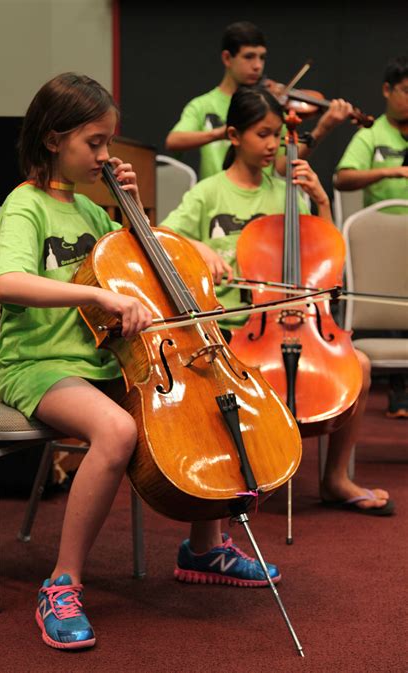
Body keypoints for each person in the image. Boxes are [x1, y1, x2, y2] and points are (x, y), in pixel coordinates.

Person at [0, 73, 282, 652]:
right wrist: (96, 295)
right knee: (118, 430)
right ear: (54, 139)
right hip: (40, 364)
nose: (105, 155)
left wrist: (137, 215)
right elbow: (5, 282)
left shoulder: (95, 213)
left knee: (207, 410)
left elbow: (137, 263)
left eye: (108, 144)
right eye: (94, 143)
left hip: (104, 365)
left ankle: (204, 549)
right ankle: (62, 582)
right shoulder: (26, 206)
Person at [160, 85, 395, 518]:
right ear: (234, 136)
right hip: (228, 324)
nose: (273, 146)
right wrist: (199, 246)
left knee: (357, 366)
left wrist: (321, 200)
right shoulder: (208, 193)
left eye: (276, 136)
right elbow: (162, 237)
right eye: (262, 135)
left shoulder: (286, 191)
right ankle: (243, 475)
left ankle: (335, 477)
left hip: (291, 319)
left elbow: (325, 255)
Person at [165, 20, 354, 180]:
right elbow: (174, 141)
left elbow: (282, 167)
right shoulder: (203, 105)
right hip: (217, 200)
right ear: (227, 58)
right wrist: (221, 133)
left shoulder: (269, 107)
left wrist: (321, 130)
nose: (257, 66)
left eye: (262, 58)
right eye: (249, 57)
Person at [334, 54, 408, 418]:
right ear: (387, 90)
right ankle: (398, 387)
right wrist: (392, 173)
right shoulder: (371, 134)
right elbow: (343, 177)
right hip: (381, 240)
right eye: (406, 92)